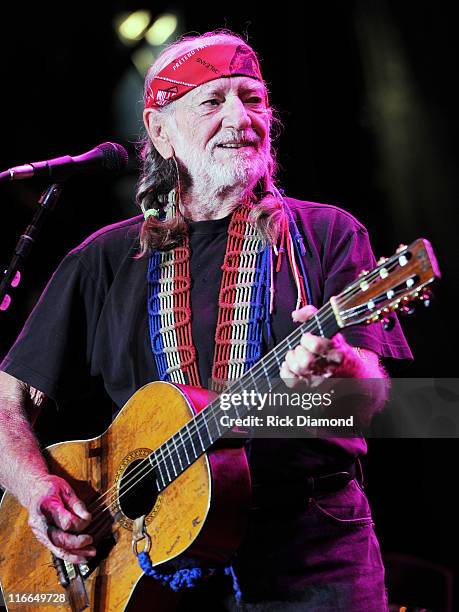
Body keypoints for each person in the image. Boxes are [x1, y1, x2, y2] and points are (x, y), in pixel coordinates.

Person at [0, 30, 412, 611]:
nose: (241, 118)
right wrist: (34, 486)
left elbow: (372, 402)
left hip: (309, 553)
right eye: (212, 101)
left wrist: (341, 372)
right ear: (160, 130)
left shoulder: (327, 234)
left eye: (253, 98)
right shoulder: (104, 259)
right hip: (146, 567)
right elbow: (6, 405)